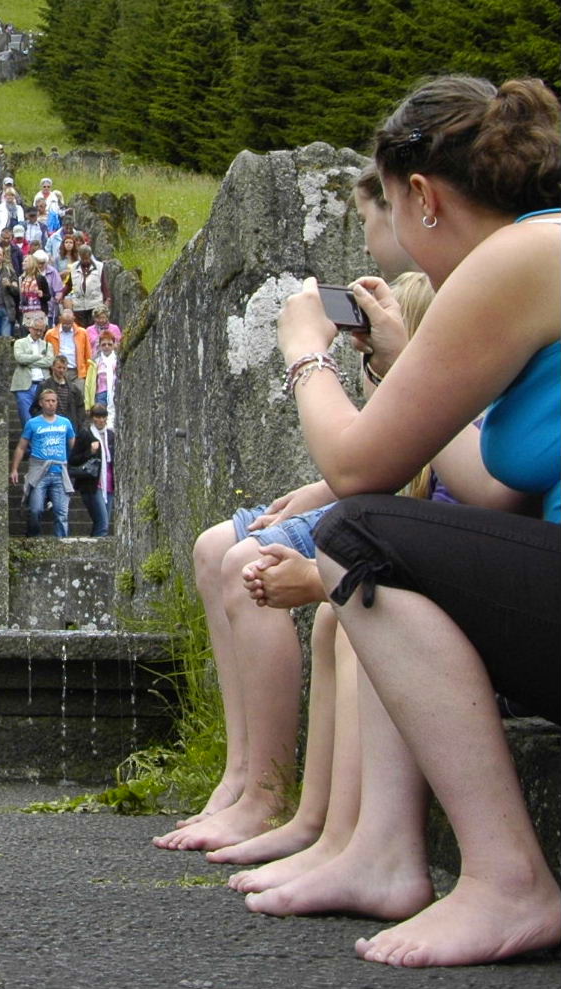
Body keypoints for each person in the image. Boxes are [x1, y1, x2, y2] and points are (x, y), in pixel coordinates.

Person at [275, 74, 561, 968]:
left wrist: (303, 354)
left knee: (354, 535)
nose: (401, 245)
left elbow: (362, 471)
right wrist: (398, 363)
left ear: (425, 199)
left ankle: (508, 879)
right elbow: (492, 491)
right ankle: (384, 851)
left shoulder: (518, 259)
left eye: (394, 214)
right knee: (388, 544)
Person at [152, 165, 421, 857]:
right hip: (375, 491)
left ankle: (270, 793)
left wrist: (310, 358)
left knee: (250, 561)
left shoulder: (430, 299)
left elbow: (417, 450)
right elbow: (400, 443)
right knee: (215, 547)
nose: (363, 233)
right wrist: (322, 490)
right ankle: (242, 775)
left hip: (398, 504)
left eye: (369, 215)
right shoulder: (411, 300)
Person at [10, 388, 76, 538]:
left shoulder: (65, 423)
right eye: (47, 401)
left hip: (59, 472)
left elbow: (74, 445)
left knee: (62, 512)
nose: (51, 404)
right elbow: (21, 447)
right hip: (40, 472)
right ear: (41, 403)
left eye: (53, 401)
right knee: (35, 510)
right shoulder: (32, 423)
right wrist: (14, 469)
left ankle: (62, 544)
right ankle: (34, 538)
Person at [70, 404, 114, 536]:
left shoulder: (111, 436)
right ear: (92, 418)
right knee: (103, 523)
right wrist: (90, 452)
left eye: (103, 417)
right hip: (92, 485)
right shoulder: (85, 434)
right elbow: (73, 460)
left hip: (109, 484)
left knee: (101, 522)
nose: (100, 420)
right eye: (97, 417)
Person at [11, 305, 55, 428]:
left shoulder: (47, 345)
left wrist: (29, 360)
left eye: (41, 330)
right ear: (30, 328)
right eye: (36, 329)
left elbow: (49, 362)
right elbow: (20, 358)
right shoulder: (20, 343)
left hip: (42, 384)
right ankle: (29, 447)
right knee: (27, 420)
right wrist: (38, 357)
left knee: (43, 420)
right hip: (24, 386)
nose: (39, 333)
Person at [65, 243, 110, 328]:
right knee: (81, 330)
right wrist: (62, 294)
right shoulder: (74, 267)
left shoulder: (99, 266)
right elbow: (69, 284)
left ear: (90, 256)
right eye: (83, 259)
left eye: (87, 258)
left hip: (95, 304)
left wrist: (107, 299)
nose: (85, 261)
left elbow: (104, 285)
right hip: (79, 306)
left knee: (94, 328)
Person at [41, 354, 85, 431]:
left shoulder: (74, 388)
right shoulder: (44, 386)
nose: (61, 370)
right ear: (53, 368)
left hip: (69, 427)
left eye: (64, 368)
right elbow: (35, 408)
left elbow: (80, 407)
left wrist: (78, 423)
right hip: (49, 427)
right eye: (59, 367)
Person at [46, 309, 91, 380]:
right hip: (57, 371)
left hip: (77, 372)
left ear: (73, 319)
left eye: (69, 324)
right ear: (60, 319)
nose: (67, 326)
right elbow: (45, 354)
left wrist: (88, 373)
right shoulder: (50, 334)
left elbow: (88, 355)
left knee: (79, 390)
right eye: (64, 323)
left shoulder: (82, 333)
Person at [85, 333, 118, 414]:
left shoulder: (118, 361)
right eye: (103, 345)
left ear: (114, 345)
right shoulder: (95, 362)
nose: (107, 347)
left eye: (109, 344)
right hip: (101, 394)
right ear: (99, 346)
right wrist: (88, 405)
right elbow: (88, 384)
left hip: (116, 392)